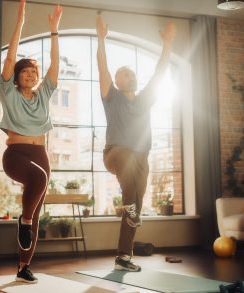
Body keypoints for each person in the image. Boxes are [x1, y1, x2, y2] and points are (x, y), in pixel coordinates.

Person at [95, 14, 176, 272]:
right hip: (115, 153)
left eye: (131, 73)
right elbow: (102, 68)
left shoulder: (144, 99)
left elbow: (160, 72)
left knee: (134, 209)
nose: (130, 76)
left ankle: (123, 257)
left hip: (141, 157)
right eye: (125, 74)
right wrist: (100, 39)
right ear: (117, 82)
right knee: (128, 173)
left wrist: (168, 44)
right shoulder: (112, 97)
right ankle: (130, 207)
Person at [0, 0, 62, 284]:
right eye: (25, 71)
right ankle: (23, 223)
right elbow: (10, 58)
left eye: (33, 72)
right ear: (16, 77)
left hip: (40, 151)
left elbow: (55, 65)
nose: (31, 74)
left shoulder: (43, 95)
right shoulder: (9, 93)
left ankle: (23, 266)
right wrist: (21, 22)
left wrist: (54, 32)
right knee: (37, 183)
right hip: (16, 154)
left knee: (35, 212)